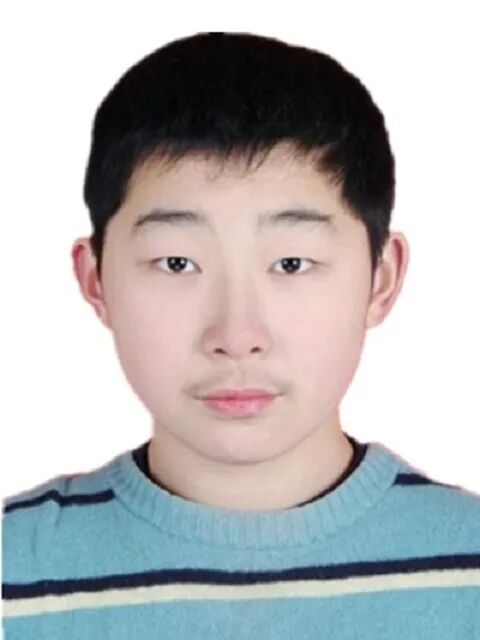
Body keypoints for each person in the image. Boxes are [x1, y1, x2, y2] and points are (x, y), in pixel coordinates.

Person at [2, 31, 479, 639]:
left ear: (381, 279)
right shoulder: (16, 571)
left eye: (291, 264)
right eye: (177, 263)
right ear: (96, 281)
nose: (236, 335)